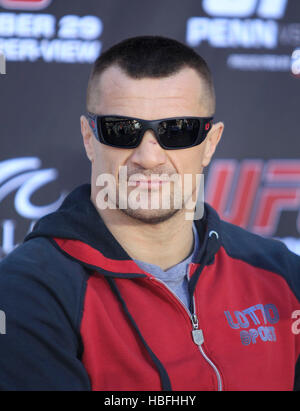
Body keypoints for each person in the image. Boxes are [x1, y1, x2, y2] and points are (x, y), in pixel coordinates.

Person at [0, 35, 299, 392]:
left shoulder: (282, 274)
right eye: (123, 130)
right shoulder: (28, 289)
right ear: (88, 138)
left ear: (211, 143)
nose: (149, 157)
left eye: (177, 131)